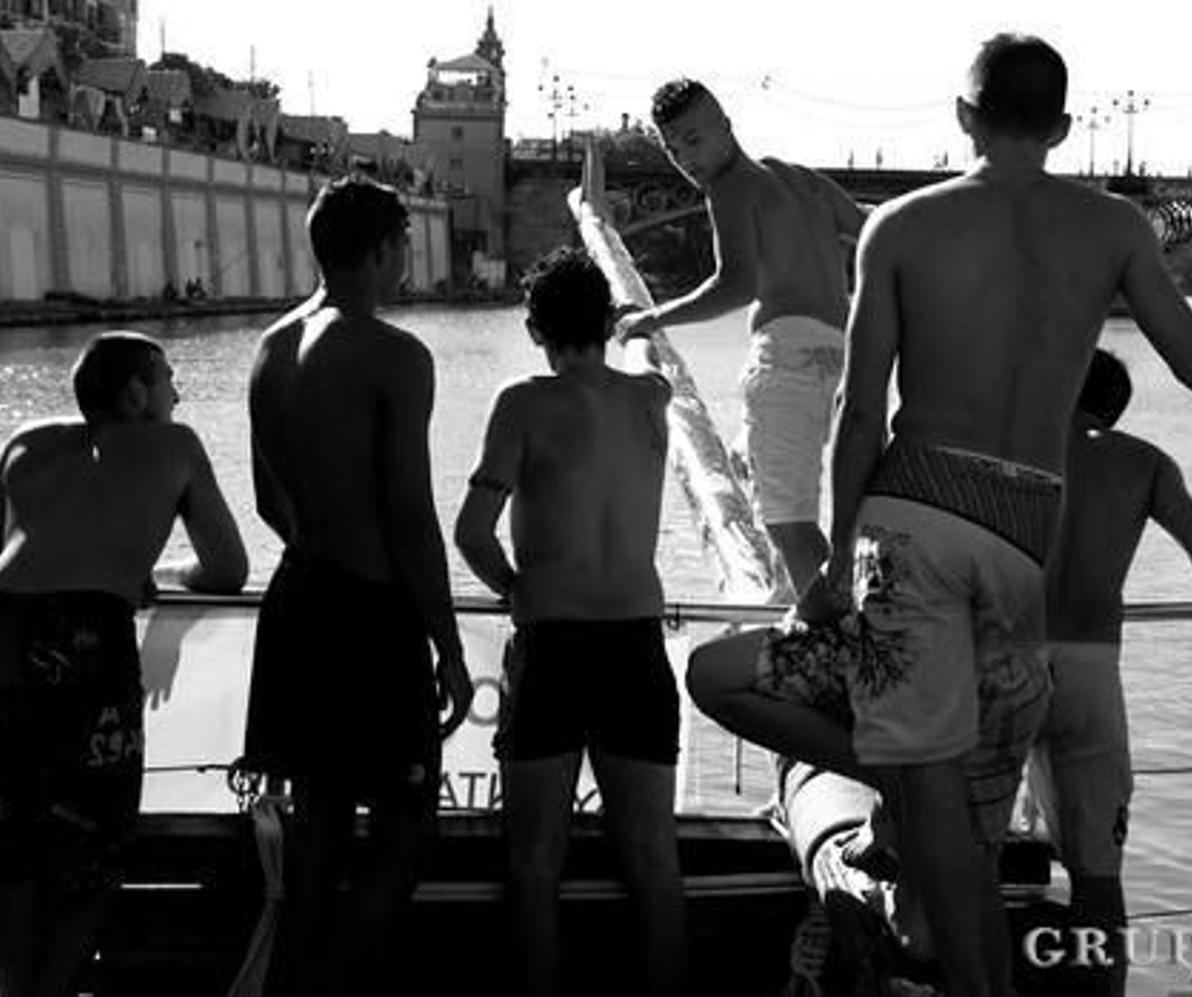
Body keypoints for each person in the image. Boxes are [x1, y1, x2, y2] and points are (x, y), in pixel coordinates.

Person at [687, 34, 1192, 997]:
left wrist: (837, 557)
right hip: (1021, 534)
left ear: (963, 117)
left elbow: (858, 410)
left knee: (929, 797)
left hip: (913, 516)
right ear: (1065, 128)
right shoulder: (1115, 228)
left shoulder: (904, 227)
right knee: (949, 802)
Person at [0, 331, 247, 997]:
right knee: (93, 852)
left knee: (12, 859)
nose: (178, 392)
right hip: (85, 631)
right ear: (137, 392)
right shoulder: (177, 444)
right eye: (167, 377)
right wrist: (147, 568)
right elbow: (230, 566)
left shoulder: (23, 439)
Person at [243, 176, 474, 995]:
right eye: (404, 244)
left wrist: (321, 554)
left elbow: (270, 499)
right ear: (384, 250)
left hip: (298, 595)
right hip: (369, 616)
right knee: (407, 829)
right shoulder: (393, 353)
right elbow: (412, 514)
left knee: (318, 825)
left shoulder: (272, 346)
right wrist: (447, 644)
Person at [454, 247, 685, 997]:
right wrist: (633, 325)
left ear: (532, 330)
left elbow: (472, 533)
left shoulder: (522, 403)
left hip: (553, 643)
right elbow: (649, 356)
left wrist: (515, 590)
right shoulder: (652, 399)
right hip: (636, 642)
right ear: (606, 322)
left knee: (532, 863)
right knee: (653, 859)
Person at [1029, 347, 1192, 997]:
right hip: (1092, 670)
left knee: (971, 851)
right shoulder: (1143, 461)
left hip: (1003, 656)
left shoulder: (1013, 444)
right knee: (1098, 877)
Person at [616, 77, 867, 598]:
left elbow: (737, 285)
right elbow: (871, 236)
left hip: (786, 361)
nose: (687, 157)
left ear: (725, 127)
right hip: (840, 358)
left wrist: (652, 319)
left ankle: (835, 639)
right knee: (744, 462)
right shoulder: (798, 179)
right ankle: (785, 591)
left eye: (695, 138)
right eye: (673, 147)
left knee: (788, 521)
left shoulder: (731, 189)